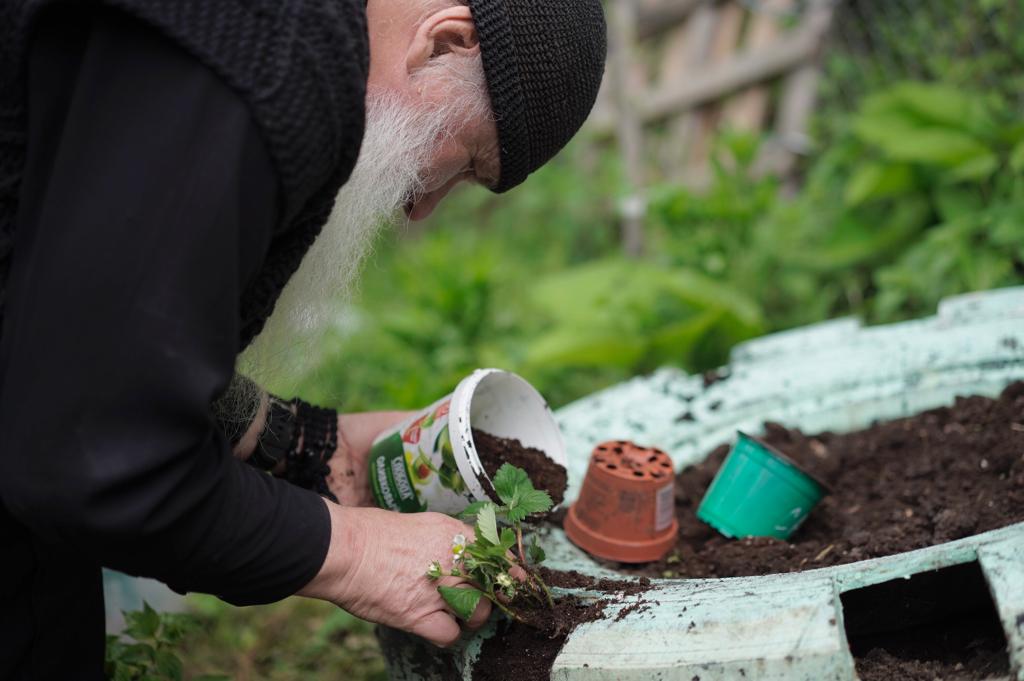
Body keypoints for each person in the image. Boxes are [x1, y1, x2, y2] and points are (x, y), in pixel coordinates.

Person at [0, 0, 606, 677]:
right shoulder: (269, 59)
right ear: (444, 41)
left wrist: (294, 441)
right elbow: (89, 458)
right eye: (463, 162)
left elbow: (75, 320)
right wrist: (356, 553)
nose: (422, 208)